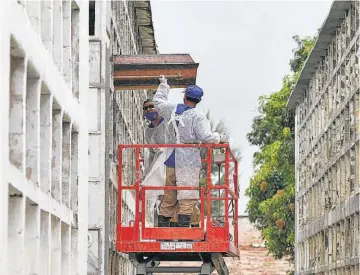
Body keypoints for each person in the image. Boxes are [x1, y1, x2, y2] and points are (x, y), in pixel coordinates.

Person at [154, 76, 226, 228]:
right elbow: (206, 137)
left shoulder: (172, 110)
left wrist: (164, 85)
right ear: (198, 100)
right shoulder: (198, 117)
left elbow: (158, 103)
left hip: (171, 157)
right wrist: (219, 137)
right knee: (187, 194)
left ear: (185, 96)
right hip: (188, 160)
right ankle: (183, 232)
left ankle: (163, 232)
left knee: (170, 193)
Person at [142, 99, 199, 227]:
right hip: (159, 164)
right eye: (146, 108)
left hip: (173, 160)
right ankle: (171, 226)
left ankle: (192, 224)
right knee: (166, 196)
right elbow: (151, 153)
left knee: (182, 195)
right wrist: (148, 173)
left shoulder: (167, 123)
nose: (149, 110)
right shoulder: (149, 131)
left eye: (152, 107)